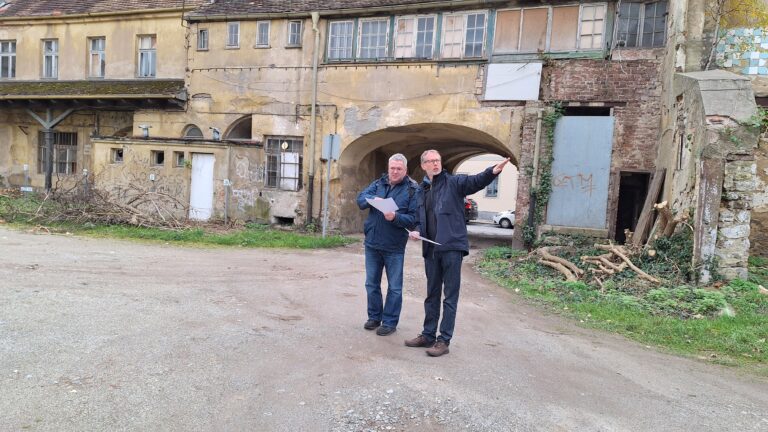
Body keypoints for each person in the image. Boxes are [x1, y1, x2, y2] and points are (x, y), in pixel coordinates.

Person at [405, 150, 510, 356]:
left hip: (452, 247)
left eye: (438, 160)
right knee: (431, 295)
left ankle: (444, 341)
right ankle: (428, 335)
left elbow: (475, 181)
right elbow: (420, 217)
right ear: (423, 165)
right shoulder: (421, 190)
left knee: (450, 296)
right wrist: (417, 230)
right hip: (431, 248)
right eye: (431, 161)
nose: (435, 164)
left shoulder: (454, 183)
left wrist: (492, 172)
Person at [356, 153, 420, 336]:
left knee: (395, 287)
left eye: (399, 169)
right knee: (371, 284)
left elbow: (414, 219)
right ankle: (374, 317)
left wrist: (396, 217)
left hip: (394, 246)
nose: (394, 171)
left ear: (405, 170)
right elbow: (361, 199)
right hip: (373, 243)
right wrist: (372, 201)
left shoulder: (412, 190)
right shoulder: (379, 183)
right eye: (392, 168)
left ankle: (390, 322)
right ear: (388, 167)